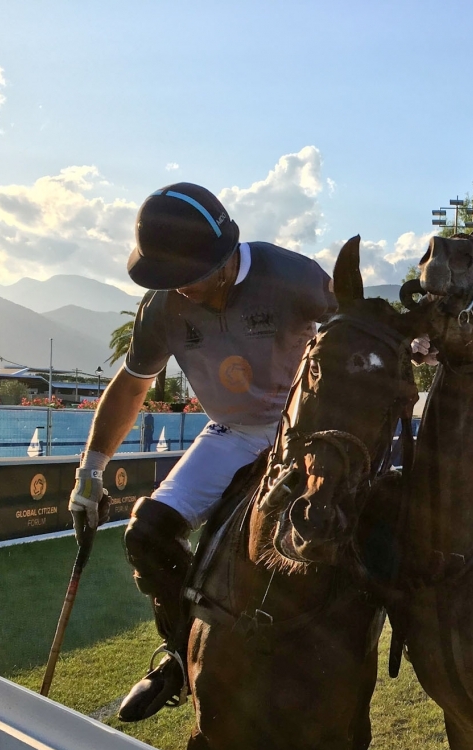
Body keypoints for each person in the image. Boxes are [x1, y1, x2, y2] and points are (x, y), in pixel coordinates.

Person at [69, 182, 335, 721]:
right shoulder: (163, 306)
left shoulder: (293, 275)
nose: (177, 293)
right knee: (146, 534)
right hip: (232, 432)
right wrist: (91, 471)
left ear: (223, 260)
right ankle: (177, 653)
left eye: (185, 280)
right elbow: (132, 386)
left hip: (308, 432)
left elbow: (355, 333)